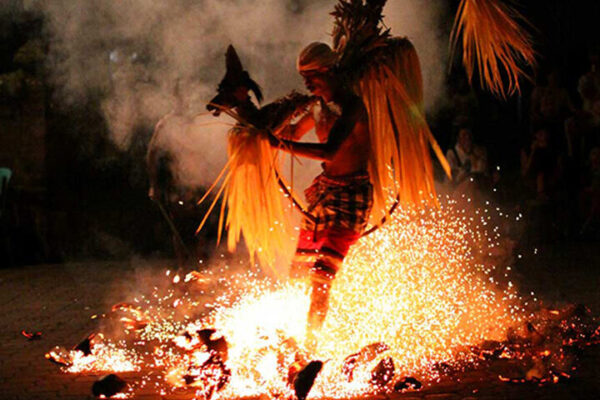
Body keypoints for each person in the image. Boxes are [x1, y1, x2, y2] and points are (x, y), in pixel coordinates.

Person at [268, 42, 373, 342]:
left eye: (311, 76)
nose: (306, 83)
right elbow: (291, 134)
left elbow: (329, 151)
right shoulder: (316, 107)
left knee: (320, 279)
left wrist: (280, 145)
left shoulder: (353, 107)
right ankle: (288, 337)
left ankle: (310, 345)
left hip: (351, 199)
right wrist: (260, 131)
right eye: (303, 78)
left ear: (328, 70)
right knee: (298, 272)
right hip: (324, 195)